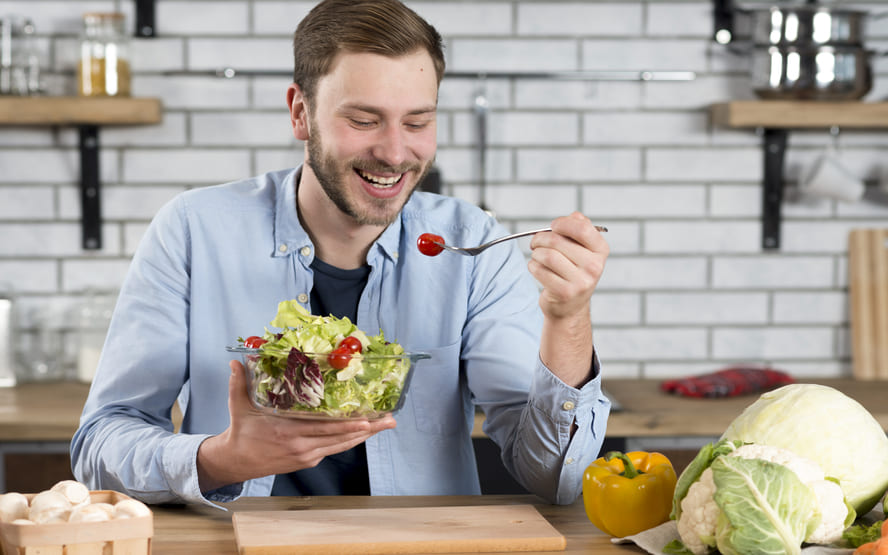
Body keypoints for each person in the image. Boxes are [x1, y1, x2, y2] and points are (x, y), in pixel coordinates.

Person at [70, 0, 611, 507]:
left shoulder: (472, 244)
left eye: (418, 122)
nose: (396, 152)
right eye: (364, 120)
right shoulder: (193, 230)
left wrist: (568, 320)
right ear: (300, 113)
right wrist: (219, 460)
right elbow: (100, 446)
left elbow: (554, 478)